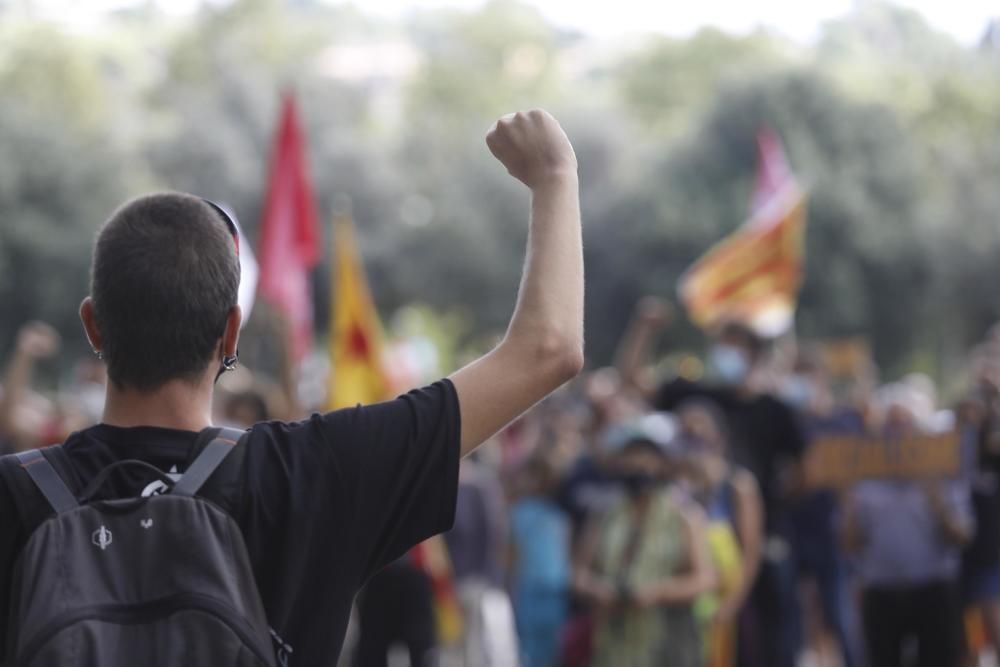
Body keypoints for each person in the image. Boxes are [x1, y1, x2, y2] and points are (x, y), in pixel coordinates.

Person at [0, 109, 584, 665]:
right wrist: (554, 175)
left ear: (92, 325)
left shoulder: (14, 493)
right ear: (231, 331)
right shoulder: (315, 471)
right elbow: (549, 350)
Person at [617, 299, 806, 667]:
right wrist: (643, 329)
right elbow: (632, 380)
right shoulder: (695, 394)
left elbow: (803, 470)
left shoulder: (773, 413)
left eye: (735, 344)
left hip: (749, 554)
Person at [842, 387, 973, 667]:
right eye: (892, 423)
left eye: (906, 422)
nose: (899, 431)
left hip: (933, 589)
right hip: (882, 593)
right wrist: (848, 503)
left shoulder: (944, 473)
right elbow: (850, 543)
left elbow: (962, 536)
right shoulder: (865, 480)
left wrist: (937, 501)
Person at [574, 414, 715, 667]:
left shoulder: (684, 516)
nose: (639, 464)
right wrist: (598, 590)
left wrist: (657, 592)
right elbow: (579, 574)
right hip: (614, 644)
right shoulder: (605, 514)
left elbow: (705, 578)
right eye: (632, 455)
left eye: (647, 456)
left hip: (667, 642)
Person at [675, 399, 763, 667]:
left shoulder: (738, 485)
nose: (696, 442)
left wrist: (730, 607)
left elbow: (750, 554)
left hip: (726, 610)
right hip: (682, 609)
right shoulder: (673, 486)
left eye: (702, 433)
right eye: (687, 434)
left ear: (720, 438)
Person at [510, 455, 572, 667]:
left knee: (552, 647)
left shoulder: (560, 512)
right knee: (528, 646)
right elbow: (512, 553)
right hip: (530, 586)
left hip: (556, 587)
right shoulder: (520, 509)